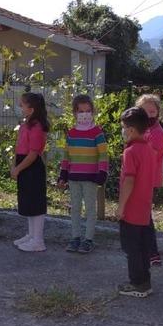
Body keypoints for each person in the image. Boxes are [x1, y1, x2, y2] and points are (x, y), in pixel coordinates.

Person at [115, 107, 157, 298]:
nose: (122, 131)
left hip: (132, 209)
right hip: (144, 207)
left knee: (132, 249)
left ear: (131, 129)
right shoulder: (148, 149)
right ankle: (144, 281)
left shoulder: (130, 152)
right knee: (141, 247)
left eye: (123, 127)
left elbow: (129, 181)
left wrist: (121, 207)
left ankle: (137, 283)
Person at [58, 94, 108, 254]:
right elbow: (66, 156)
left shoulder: (97, 132)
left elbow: (103, 154)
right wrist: (63, 175)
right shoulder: (71, 133)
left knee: (90, 210)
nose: (84, 114)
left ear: (92, 112)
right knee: (75, 209)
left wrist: (102, 172)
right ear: (75, 113)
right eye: (81, 111)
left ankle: (88, 239)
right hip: (74, 178)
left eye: (87, 111)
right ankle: (75, 238)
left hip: (91, 178)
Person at [12, 92, 50, 252]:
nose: (20, 106)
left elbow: (34, 153)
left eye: (23, 104)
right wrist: (15, 166)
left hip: (32, 167)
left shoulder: (37, 127)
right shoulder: (26, 124)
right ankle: (31, 235)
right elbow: (19, 147)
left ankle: (38, 240)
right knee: (28, 202)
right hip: (24, 165)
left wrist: (18, 168)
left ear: (32, 109)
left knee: (36, 203)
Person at [136, 94, 163, 266]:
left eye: (152, 111)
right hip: (139, 178)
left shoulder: (157, 133)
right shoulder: (140, 129)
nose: (148, 114)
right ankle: (145, 250)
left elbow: (150, 157)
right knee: (141, 215)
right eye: (144, 111)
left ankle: (152, 253)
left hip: (149, 180)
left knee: (145, 216)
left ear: (158, 113)